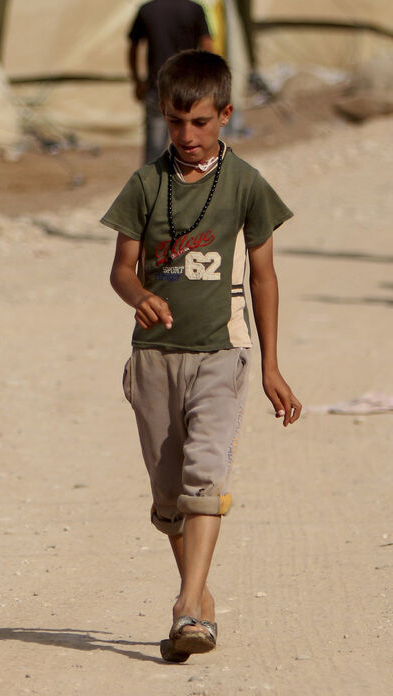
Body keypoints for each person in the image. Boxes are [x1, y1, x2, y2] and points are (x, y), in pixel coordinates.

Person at [101, 50, 301, 663]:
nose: (187, 136)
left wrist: (269, 364)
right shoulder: (144, 184)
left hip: (223, 352)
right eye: (176, 122)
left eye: (201, 122)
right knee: (168, 500)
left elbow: (264, 277)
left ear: (225, 116)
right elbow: (121, 269)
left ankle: (187, 607)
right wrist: (138, 297)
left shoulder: (245, 184)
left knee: (204, 480)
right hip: (154, 359)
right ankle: (202, 596)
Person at [128, 0, 213, 163]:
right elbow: (208, 48)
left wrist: (137, 81)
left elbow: (133, 48)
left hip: (156, 89)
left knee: (154, 153)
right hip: (188, 91)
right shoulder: (195, 9)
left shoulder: (148, 8)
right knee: (190, 149)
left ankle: (152, 191)